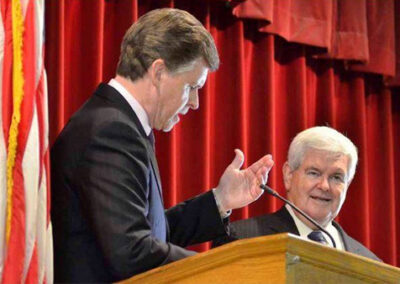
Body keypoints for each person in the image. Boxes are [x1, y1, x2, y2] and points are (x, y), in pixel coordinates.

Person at [51, 8, 274, 283]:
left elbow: (154, 232)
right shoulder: (111, 131)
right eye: (192, 87)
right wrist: (226, 271)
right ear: (158, 72)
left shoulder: (123, 125)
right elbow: (131, 250)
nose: (195, 103)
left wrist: (221, 199)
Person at [213, 126, 381, 261]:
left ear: (348, 184)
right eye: (314, 173)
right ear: (288, 174)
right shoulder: (243, 240)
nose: (324, 186)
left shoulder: (371, 263)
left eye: (336, 177)